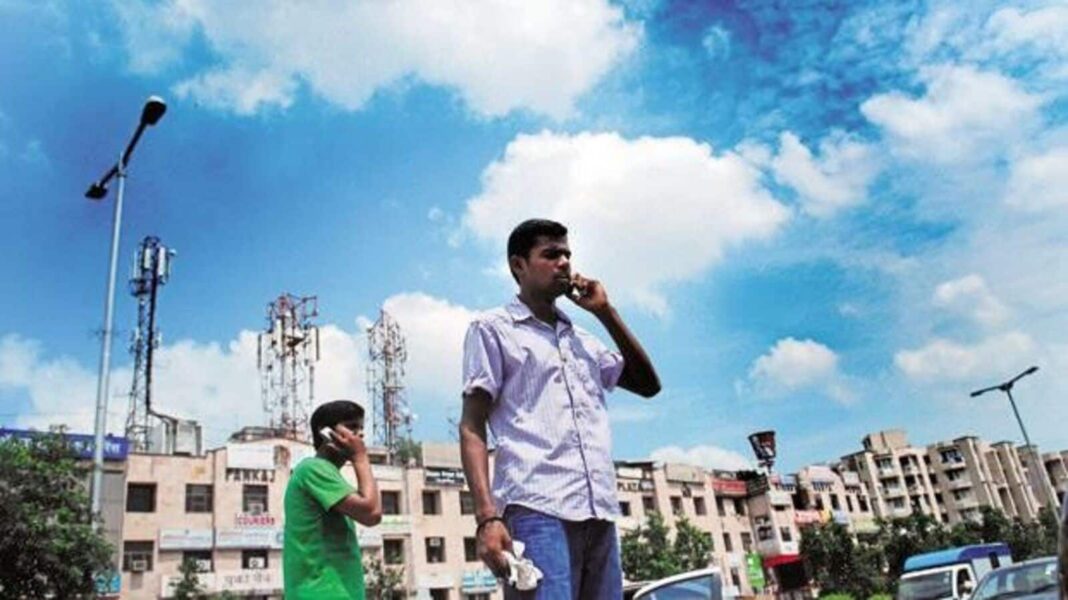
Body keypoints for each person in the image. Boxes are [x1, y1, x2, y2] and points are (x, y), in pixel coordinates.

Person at [459, 218, 661, 599]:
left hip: (598, 511)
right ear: (519, 265)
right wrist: (487, 517)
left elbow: (648, 385)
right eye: (551, 254)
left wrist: (605, 312)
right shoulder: (492, 329)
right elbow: (472, 426)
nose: (564, 262)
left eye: (567, 254)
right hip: (536, 508)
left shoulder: (582, 339)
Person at [284, 400, 382, 600]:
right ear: (326, 433)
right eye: (352, 427)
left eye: (361, 428)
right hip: (322, 593)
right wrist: (361, 458)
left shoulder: (330, 475)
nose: (360, 435)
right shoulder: (312, 469)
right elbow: (371, 513)